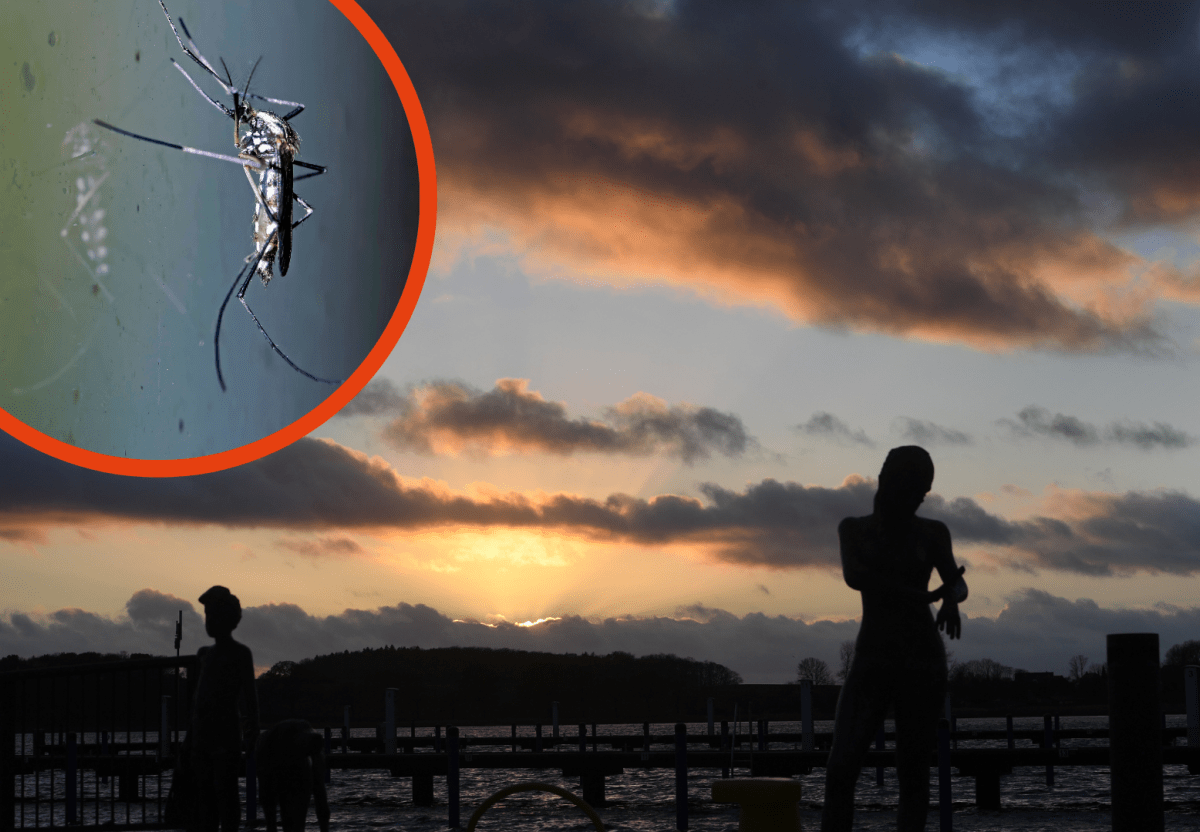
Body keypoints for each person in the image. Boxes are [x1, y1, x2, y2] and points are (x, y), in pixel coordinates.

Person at [821, 446, 966, 832]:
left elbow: (956, 580)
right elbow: (856, 576)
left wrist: (950, 598)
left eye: (926, 490)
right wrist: (922, 597)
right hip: (873, 657)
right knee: (840, 768)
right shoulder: (854, 529)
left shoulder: (934, 533)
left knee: (913, 774)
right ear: (887, 482)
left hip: (922, 661)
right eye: (915, 487)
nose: (921, 497)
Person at [192, 586, 259, 832]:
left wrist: (253, 730)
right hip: (202, 734)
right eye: (207, 616)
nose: (209, 622)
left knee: (226, 791)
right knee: (204, 793)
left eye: (214, 616)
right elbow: (197, 699)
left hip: (226, 733)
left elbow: (251, 697)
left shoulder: (240, 653)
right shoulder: (204, 654)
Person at [256, 719, 331, 832]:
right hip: (271, 754)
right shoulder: (271, 744)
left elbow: (320, 796)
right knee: (277, 808)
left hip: (296, 749)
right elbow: (267, 796)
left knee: (295, 816)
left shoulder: (314, 753)